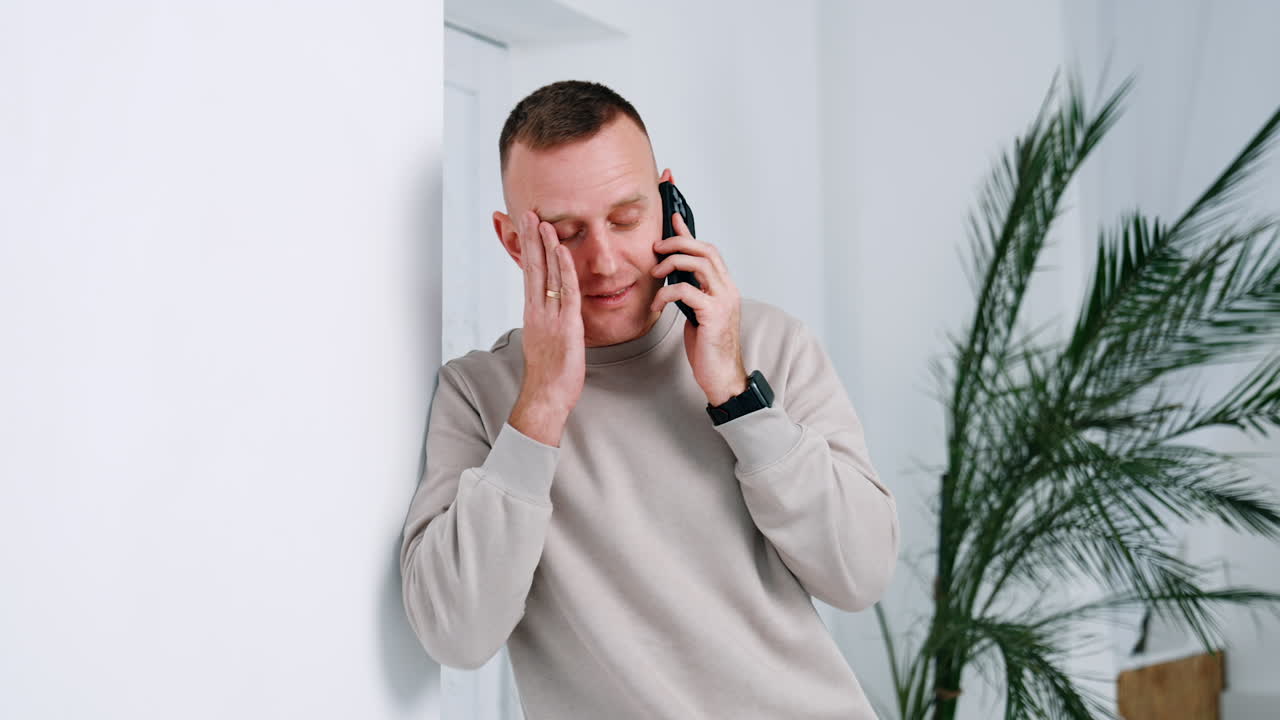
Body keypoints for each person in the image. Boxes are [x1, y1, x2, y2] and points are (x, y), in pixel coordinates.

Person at [399, 79, 899, 719]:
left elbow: (861, 574)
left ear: (668, 202)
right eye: (566, 233)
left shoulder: (769, 343)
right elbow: (456, 634)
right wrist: (542, 406)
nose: (604, 260)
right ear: (514, 241)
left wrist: (736, 395)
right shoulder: (478, 394)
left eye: (626, 218)